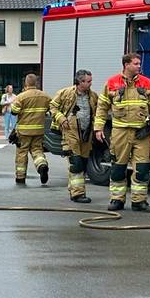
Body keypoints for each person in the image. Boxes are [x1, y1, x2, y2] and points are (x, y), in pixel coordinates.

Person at [94, 53, 150, 212]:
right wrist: (98, 128)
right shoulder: (112, 82)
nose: (139, 66)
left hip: (141, 133)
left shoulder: (146, 82)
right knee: (118, 168)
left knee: (142, 169)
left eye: (139, 63)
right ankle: (117, 200)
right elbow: (102, 107)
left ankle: (139, 201)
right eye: (135, 63)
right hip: (120, 132)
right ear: (126, 65)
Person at [50, 70, 98, 203]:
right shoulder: (65, 93)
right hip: (70, 131)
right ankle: (77, 194)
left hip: (86, 132)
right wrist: (61, 119)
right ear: (80, 82)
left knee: (83, 162)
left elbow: (99, 111)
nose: (90, 84)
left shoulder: (93, 96)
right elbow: (53, 107)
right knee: (75, 163)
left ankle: (74, 189)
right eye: (88, 81)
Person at [9, 73, 51, 184]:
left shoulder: (21, 97)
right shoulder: (45, 96)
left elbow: (14, 112)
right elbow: (51, 109)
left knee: (22, 153)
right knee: (37, 150)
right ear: (36, 83)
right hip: (39, 131)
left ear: (26, 83)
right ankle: (42, 165)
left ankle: (20, 177)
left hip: (23, 131)